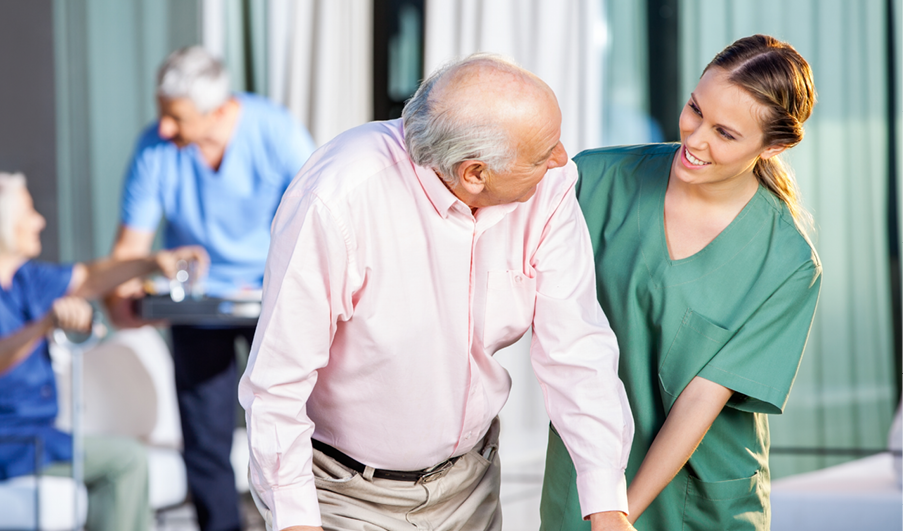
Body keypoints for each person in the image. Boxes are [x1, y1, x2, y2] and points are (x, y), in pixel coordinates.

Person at [239, 54, 636, 531]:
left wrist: (606, 506)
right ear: (474, 173)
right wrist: (296, 523)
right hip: (343, 493)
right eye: (542, 153)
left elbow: (577, 352)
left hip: (471, 483)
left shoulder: (549, 188)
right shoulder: (338, 197)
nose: (561, 159)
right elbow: (276, 384)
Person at [539, 34, 821, 531]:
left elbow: (700, 401)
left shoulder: (788, 262)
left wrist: (617, 514)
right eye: (695, 109)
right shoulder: (595, 181)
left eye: (725, 134)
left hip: (703, 500)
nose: (694, 139)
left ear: (773, 146)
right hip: (587, 483)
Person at [105, 46, 316, 531]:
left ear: (218, 110)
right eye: (162, 116)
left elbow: (319, 221)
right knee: (204, 441)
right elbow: (129, 249)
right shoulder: (155, 150)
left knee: (294, 425)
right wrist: (125, 301)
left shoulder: (276, 133)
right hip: (200, 308)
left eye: (175, 118)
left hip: (274, 300)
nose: (164, 129)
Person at [0, 172, 204, 531]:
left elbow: (89, 278)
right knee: (126, 460)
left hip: (28, 436)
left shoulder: (24, 277)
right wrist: (44, 325)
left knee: (126, 457)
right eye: (28, 212)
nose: (39, 221)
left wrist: (152, 263)